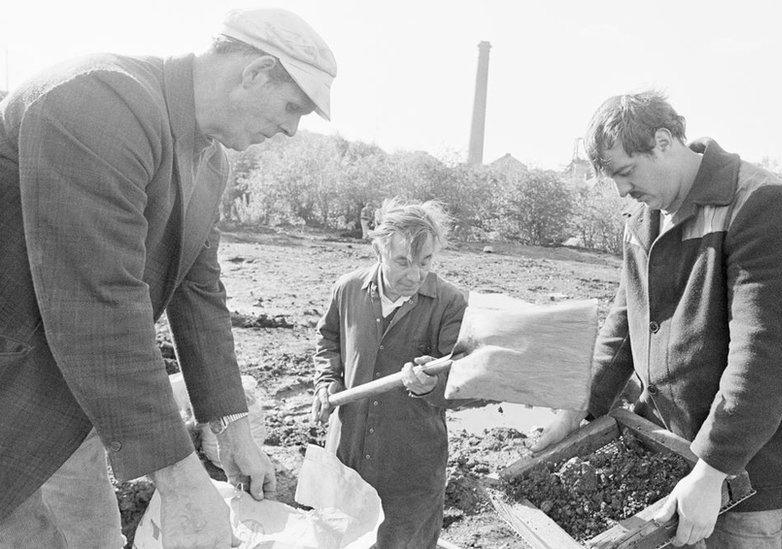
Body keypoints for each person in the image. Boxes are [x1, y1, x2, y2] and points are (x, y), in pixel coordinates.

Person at [0, 8, 336, 548]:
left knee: (93, 538)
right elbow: (98, 300)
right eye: (293, 106)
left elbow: (200, 293)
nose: (290, 130)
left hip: (76, 395)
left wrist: (231, 427)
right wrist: (180, 481)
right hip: (14, 385)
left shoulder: (211, 162)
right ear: (256, 71)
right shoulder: (101, 97)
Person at [530, 90, 782, 548]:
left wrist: (711, 472)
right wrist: (578, 407)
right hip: (666, 449)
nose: (622, 190)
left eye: (626, 171)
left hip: (743, 468)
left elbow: (768, 352)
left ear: (664, 140)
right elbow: (625, 321)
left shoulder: (758, 203)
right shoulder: (643, 215)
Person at [310, 198, 466, 548]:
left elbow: (465, 384)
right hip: (347, 455)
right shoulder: (348, 289)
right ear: (379, 248)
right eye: (403, 262)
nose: (415, 274)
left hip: (409, 469)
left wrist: (430, 387)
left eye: (425, 262)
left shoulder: (450, 304)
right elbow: (328, 339)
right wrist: (326, 381)